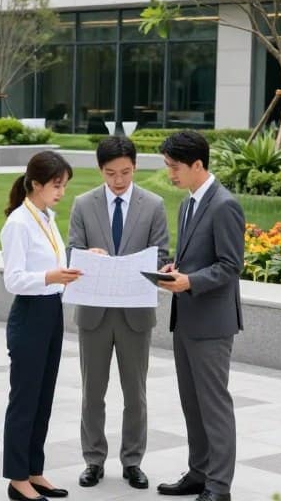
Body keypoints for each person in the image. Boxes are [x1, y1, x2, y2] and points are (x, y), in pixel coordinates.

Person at [67, 136, 170, 491]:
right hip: (94, 313)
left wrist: (145, 264)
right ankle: (93, 460)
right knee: (92, 392)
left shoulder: (153, 205)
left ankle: (133, 461)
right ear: (100, 170)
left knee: (135, 393)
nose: (119, 180)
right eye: (111, 173)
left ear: (135, 167)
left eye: (125, 172)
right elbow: (71, 252)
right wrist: (86, 256)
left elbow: (162, 256)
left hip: (135, 314)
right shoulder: (83, 204)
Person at [156, 131, 244, 501]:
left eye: (174, 167)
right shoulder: (188, 203)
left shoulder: (225, 205)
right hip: (186, 319)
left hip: (211, 324)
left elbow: (231, 266)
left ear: (197, 165)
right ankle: (199, 473)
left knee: (214, 406)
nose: (170, 174)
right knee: (192, 404)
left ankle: (218, 487)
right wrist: (176, 268)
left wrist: (190, 280)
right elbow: (198, 255)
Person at [0, 151, 81, 501]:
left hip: (52, 312)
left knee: (43, 398)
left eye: (64, 185)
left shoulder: (46, 218)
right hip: (30, 314)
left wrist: (79, 261)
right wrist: (51, 276)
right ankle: (17, 480)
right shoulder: (18, 223)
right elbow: (14, 280)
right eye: (56, 185)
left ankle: (34, 471)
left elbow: (52, 261)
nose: (61, 192)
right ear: (36, 184)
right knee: (25, 400)